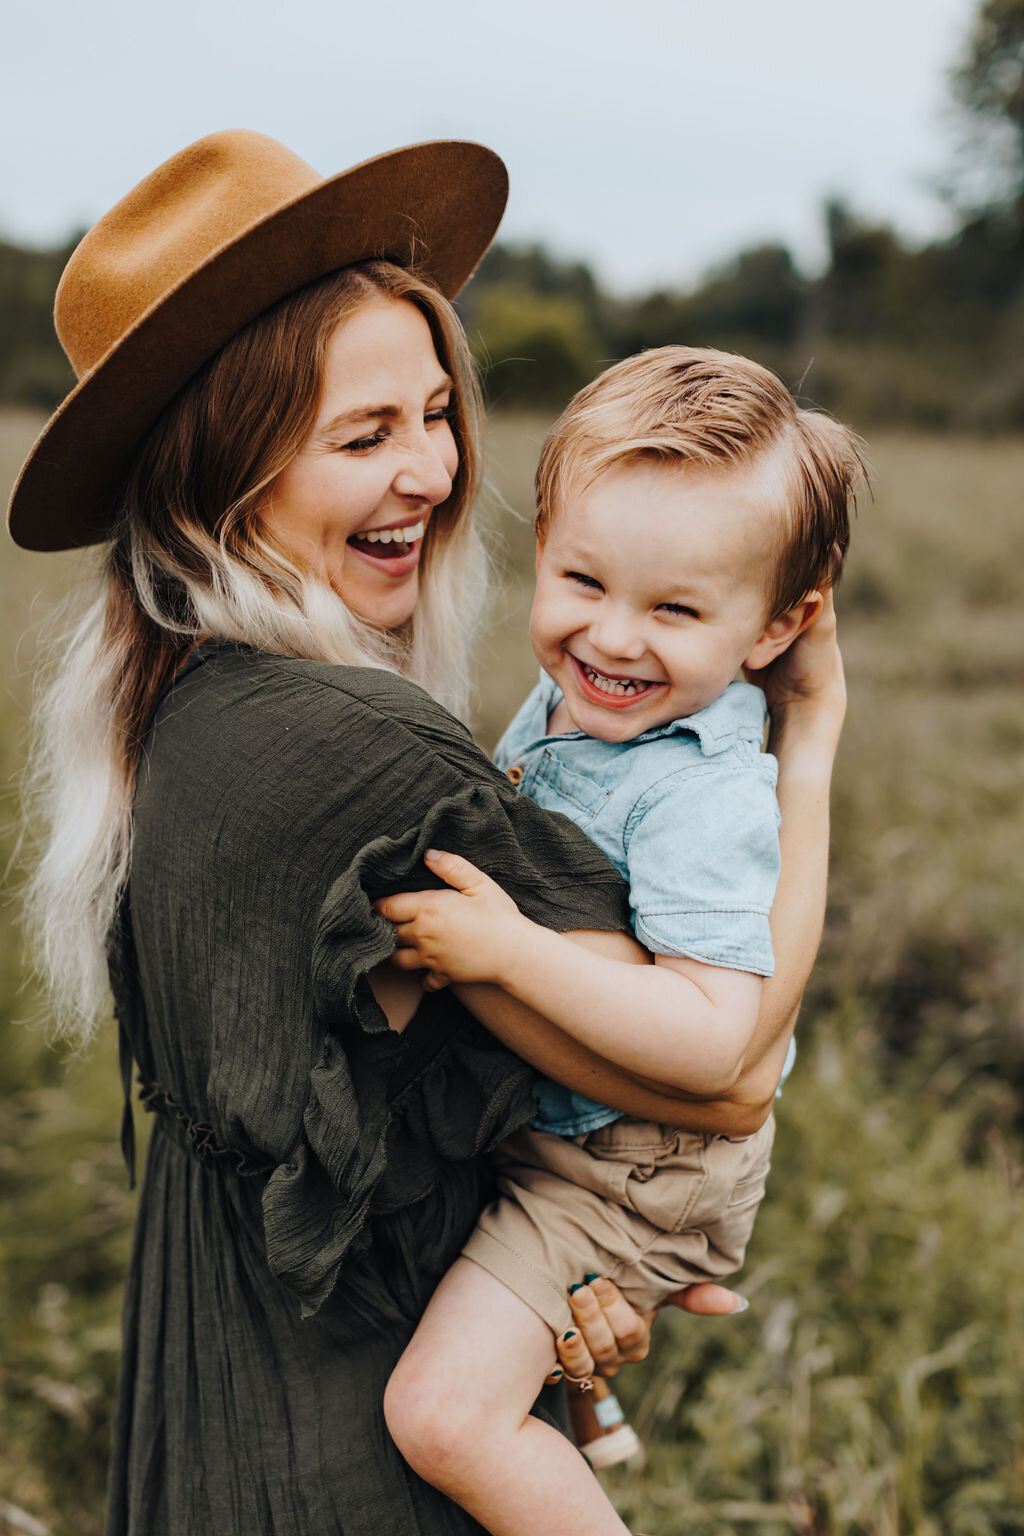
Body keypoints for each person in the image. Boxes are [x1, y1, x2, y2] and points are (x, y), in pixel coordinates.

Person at [7, 130, 847, 1536]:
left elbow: (420, 1115)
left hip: (215, 1398)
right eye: (364, 436)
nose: (435, 472)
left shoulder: (185, 709)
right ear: (228, 471)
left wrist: (564, 1279)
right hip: (344, 1447)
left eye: (435, 413)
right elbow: (730, 1080)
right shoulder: (370, 755)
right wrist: (808, 751)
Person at [378, 347, 866, 1536]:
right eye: (582, 580)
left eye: (675, 610)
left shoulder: (700, 791)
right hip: (573, 1125)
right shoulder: (572, 709)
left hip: (632, 1164)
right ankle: (581, 1399)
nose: (612, 638)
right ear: (540, 543)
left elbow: (712, 1044)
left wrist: (503, 954)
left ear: (779, 626)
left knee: (442, 1415)